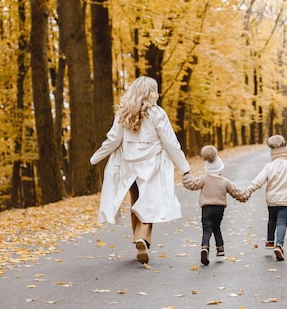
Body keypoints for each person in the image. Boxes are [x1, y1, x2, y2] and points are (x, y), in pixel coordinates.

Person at [90, 76, 191, 265]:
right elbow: (170, 142)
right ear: (151, 92)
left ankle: (139, 240)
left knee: (136, 200)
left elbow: (113, 140)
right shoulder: (157, 113)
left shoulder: (124, 113)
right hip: (152, 166)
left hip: (128, 165)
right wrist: (185, 168)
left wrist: (95, 157)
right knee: (150, 203)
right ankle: (142, 238)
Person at [181, 145, 249, 266]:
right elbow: (237, 192)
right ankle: (220, 248)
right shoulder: (225, 181)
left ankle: (205, 247)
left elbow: (192, 184)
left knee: (207, 229)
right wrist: (247, 193)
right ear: (220, 169)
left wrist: (185, 175)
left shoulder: (204, 179)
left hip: (206, 208)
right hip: (219, 209)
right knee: (217, 226)